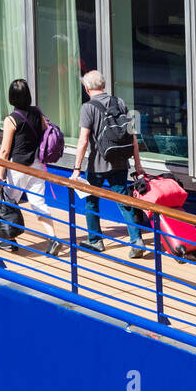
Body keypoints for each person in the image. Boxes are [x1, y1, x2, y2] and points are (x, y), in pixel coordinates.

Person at [70, 70, 147, 258]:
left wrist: (76, 169)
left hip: (97, 164)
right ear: (104, 86)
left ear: (87, 88)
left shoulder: (87, 108)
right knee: (124, 201)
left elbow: (83, 141)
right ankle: (136, 240)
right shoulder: (119, 102)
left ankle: (95, 240)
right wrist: (138, 165)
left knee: (91, 201)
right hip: (120, 161)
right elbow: (133, 136)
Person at [0, 79, 64, 257]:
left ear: (11, 97)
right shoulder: (37, 112)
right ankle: (53, 238)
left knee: (7, 204)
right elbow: (44, 134)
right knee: (38, 202)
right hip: (37, 165)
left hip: (17, 167)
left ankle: (8, 241)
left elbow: (4, 150)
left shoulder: (11, 120)